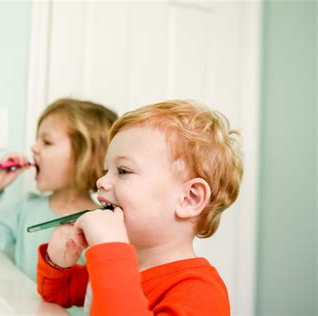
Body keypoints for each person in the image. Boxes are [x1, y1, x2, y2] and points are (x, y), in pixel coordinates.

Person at [36, 99, 243, 315]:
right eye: (106, 170)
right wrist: (59, 261)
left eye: (123, 171)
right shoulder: (121, 266)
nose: (101, 182)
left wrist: (111, 250)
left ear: (189, 199)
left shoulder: (201, 293)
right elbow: (56, 294)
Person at [0, 98, 117, 282]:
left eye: (47, 142)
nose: (34, 148)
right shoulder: (26, 209)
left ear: (86, 155)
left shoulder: (105, 226)